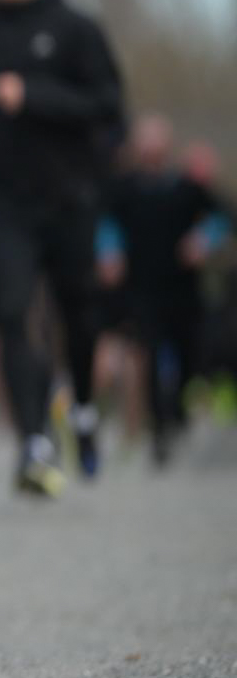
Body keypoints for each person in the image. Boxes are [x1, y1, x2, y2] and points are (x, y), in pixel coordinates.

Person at [0, 0, 125, 490]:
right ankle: (33, 438)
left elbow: (110, 108)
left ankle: (81, 407)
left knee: (77, 313)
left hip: (68, 197)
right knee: (11, 313)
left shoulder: (76, 28)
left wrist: (33, 95)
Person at [105, 115, 230, 464]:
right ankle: (158, 429)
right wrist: (109, 252)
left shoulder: (187, 187)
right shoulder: (124, 189)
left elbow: (223, 217)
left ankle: (178, 413)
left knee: (188, 353)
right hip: (141, 288)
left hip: (182, 289)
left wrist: (203, 240)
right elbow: (106, 223)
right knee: (148, 352)